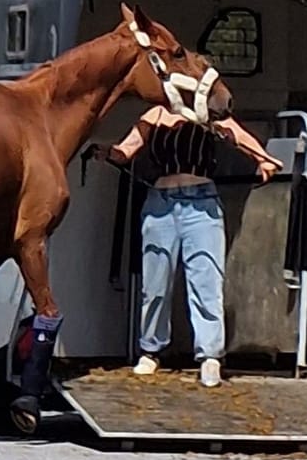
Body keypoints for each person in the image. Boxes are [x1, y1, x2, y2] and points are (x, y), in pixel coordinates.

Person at [91, 108, 283, 387]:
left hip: (201, 204)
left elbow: (237, 135)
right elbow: (126, 151)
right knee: (155, 284)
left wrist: (263, 159)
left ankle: (210, 356)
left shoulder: (205, 111)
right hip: (161, 203)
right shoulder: (154, 115)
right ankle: (150, 350)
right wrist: (107, 152)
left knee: (206, 280)